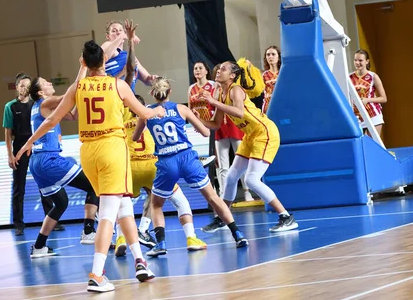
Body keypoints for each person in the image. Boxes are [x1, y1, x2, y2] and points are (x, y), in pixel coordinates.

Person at [17, 41, 163, 293]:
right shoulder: (118, 86)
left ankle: (140, 261)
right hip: (112, 149)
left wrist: (27, 143)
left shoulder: (77, 87)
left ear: (83, 62)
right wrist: (158, 110)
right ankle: (96, 274)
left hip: (88, 152)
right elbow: (144, 113)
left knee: (123, 205)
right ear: (104, 62)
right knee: (108, 212)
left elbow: (52, 120)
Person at [133, 78, 249, 257]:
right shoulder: (181, 108)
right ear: (170, 92)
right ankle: (238, 235)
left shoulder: (147, 113)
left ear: (152, 94)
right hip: (186, 157)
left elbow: (135, 137)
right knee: (213, 198)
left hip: (166, 161)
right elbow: (204, 132)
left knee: (156, 205)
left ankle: (161, 244)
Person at [196, 61, 298, 233]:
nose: (219, 71)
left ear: (232, 75)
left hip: (264, 132)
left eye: (223, 69)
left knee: (251, 180)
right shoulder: (220, 93)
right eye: (219, 68)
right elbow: (216, 123)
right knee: (230, 177)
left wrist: (213, 101)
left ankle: (286, 217)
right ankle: (223, 217)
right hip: (250, 135)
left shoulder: (236, 90)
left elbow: (239, 112)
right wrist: (196, 118)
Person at [116, 94, 207, 257]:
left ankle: (120, 239)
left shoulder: (121, 122)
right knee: (178, 202)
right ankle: (191, 238)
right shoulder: (152, 118)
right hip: (152, 165)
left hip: (130, 168)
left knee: (122, 204)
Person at [27, 76, 100, 257]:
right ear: (40, 92)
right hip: (48, 159)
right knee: (95, 184)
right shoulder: (44, 103)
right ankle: (89, 231)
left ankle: (39, 247)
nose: (50, 83)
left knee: (60, 203)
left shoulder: (46, 108)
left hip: (37, 162)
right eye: (46, 83)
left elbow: (74, 114)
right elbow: (67, 95)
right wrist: (83, 69)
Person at [3, 73, 58, 236]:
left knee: (45, 184)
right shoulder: (10, 107)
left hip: (37, 146)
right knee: (19, 187)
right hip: (19, 146)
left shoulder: (37, 105)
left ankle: (51, 219)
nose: (24, 88)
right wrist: (10, 155)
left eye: (27, 85)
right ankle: (18, 223)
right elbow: (7, 133)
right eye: (21, 85)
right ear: (17, 87)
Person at [101, 20, 157, 90]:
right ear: (108, 36)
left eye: (120, 30)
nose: (118, 33)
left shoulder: (129, 56)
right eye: (114, 31)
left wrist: (154, 79)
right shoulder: (107, 45)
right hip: (113, 97)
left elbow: (146, 79)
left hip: (128, 97)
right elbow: (101, 58)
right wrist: (123, 36)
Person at [349, 49, 387, 139]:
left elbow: (383, 98)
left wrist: (368, 100)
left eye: (360, 60)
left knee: (374, 145)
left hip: (373, 115)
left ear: (367, 61)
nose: (357, 62)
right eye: (355, 60)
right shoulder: (349, 77)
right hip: (357, 118)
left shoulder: (373, 76)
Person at [262, 46, 281, 115]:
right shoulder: (264, 75)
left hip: (283, 105)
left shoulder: (283, 73)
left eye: (273, 54)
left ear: (278, 57)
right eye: (268, 55)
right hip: (268, 108)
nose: (270, 57)